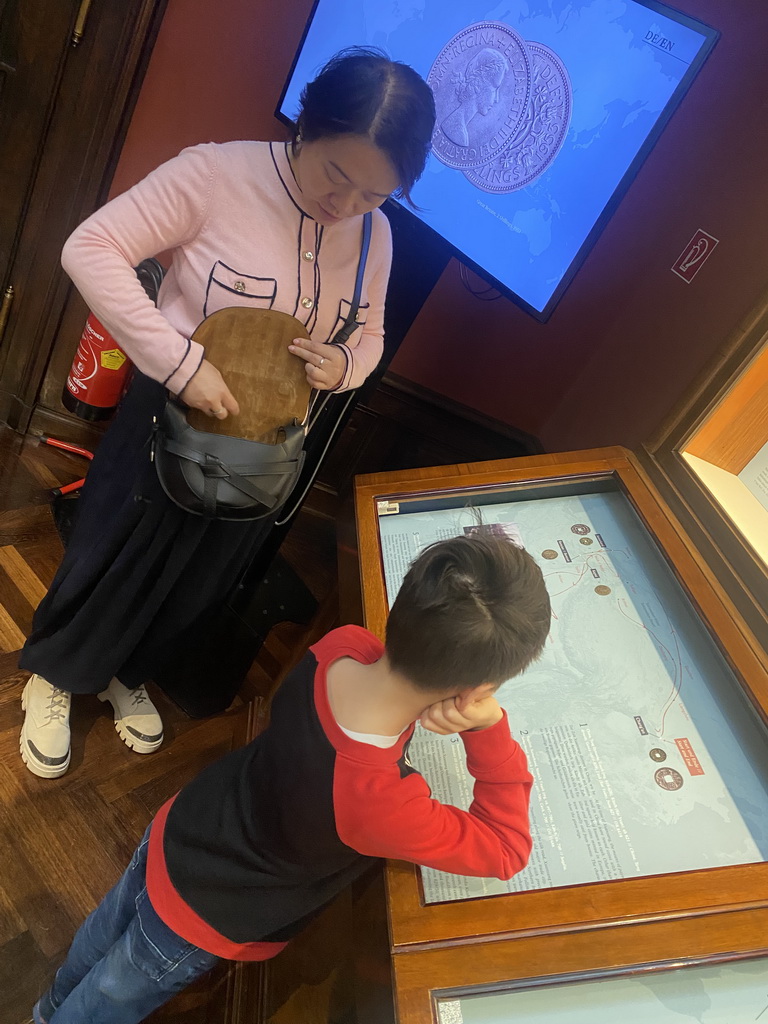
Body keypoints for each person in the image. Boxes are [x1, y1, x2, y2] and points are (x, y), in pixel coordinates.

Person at [17, 47, 436, 778]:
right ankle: (55, 673)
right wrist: (180, 364)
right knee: (115, 547)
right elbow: (91, 247)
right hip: (171, 415)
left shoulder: (376, 233)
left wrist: (343, 368)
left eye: (375, 193)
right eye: (338, 174)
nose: (346, 205)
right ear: (306, 125)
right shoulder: (217, 173)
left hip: (267, 442)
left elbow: (369, 335)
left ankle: (128, 671)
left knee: (200, 577)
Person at [31, 533, 552, 1023]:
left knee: (99, 939)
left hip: (187, 827)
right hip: (208, 910)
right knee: (109, 997)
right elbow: (506, 848)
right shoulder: (377, 803)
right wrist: (489, 729)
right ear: (478, 687)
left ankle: (45, 1009)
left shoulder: (343, 646)